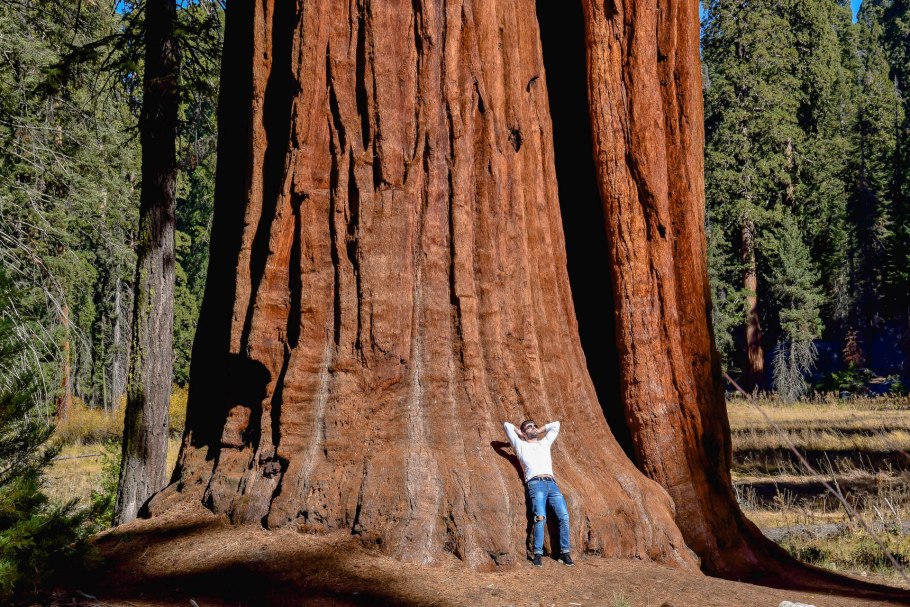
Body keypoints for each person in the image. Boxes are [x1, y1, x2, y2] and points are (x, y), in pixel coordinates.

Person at [503, 419, 573, 567]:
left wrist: (539, 430)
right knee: (540, 518)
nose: (533, 428)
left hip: (552, 484)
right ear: (523, 433)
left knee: (564, 517)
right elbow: (507, 425)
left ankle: (565, 553)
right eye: (529, 427)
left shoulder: (544, 443)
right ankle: (538, 554)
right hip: (535, 484)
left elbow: (556, 425)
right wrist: (519, 433)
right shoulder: (520, 445)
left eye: (534, 425)